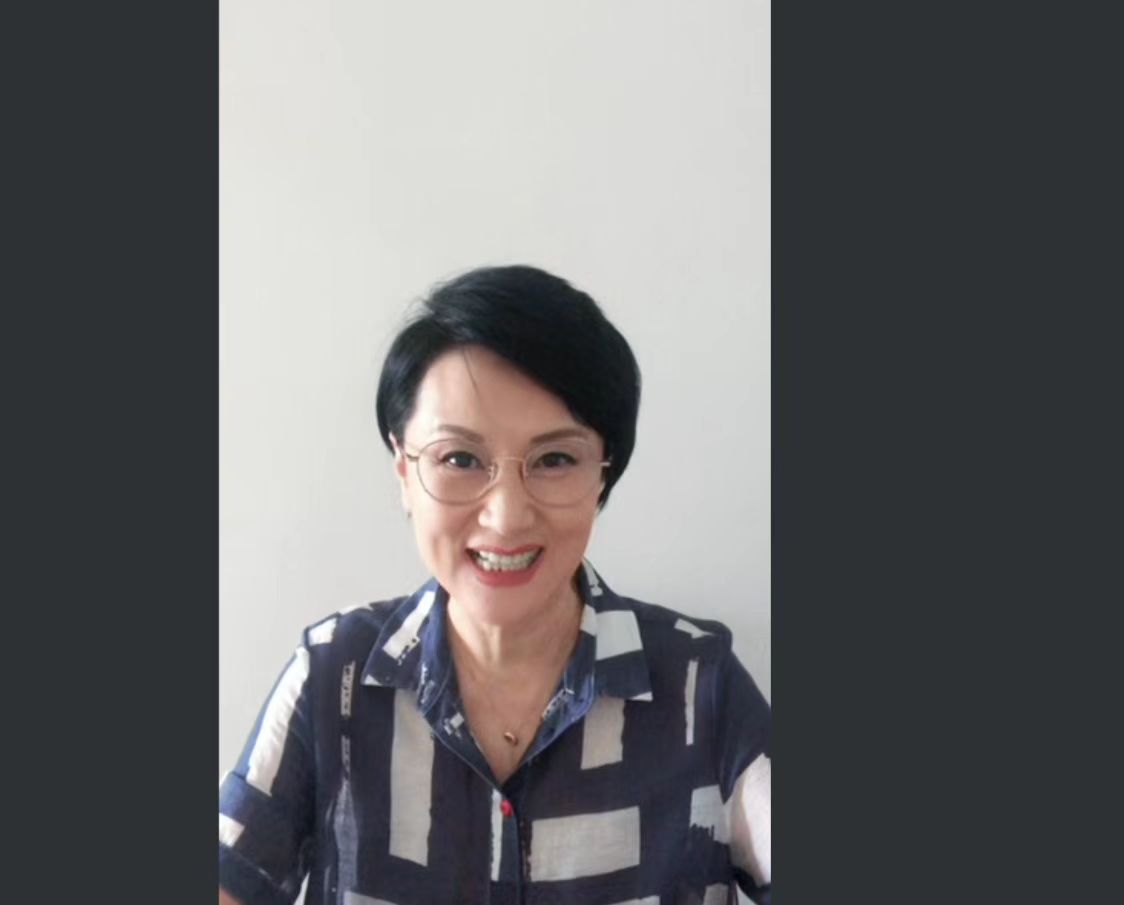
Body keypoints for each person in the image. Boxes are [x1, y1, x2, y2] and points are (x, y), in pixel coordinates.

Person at [218, 265, 771, 905]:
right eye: (460, 459)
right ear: (404, 470)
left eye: (555, 459)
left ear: (603, 474)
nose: (506, 517)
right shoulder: (332, 677)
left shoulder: (700, 683)